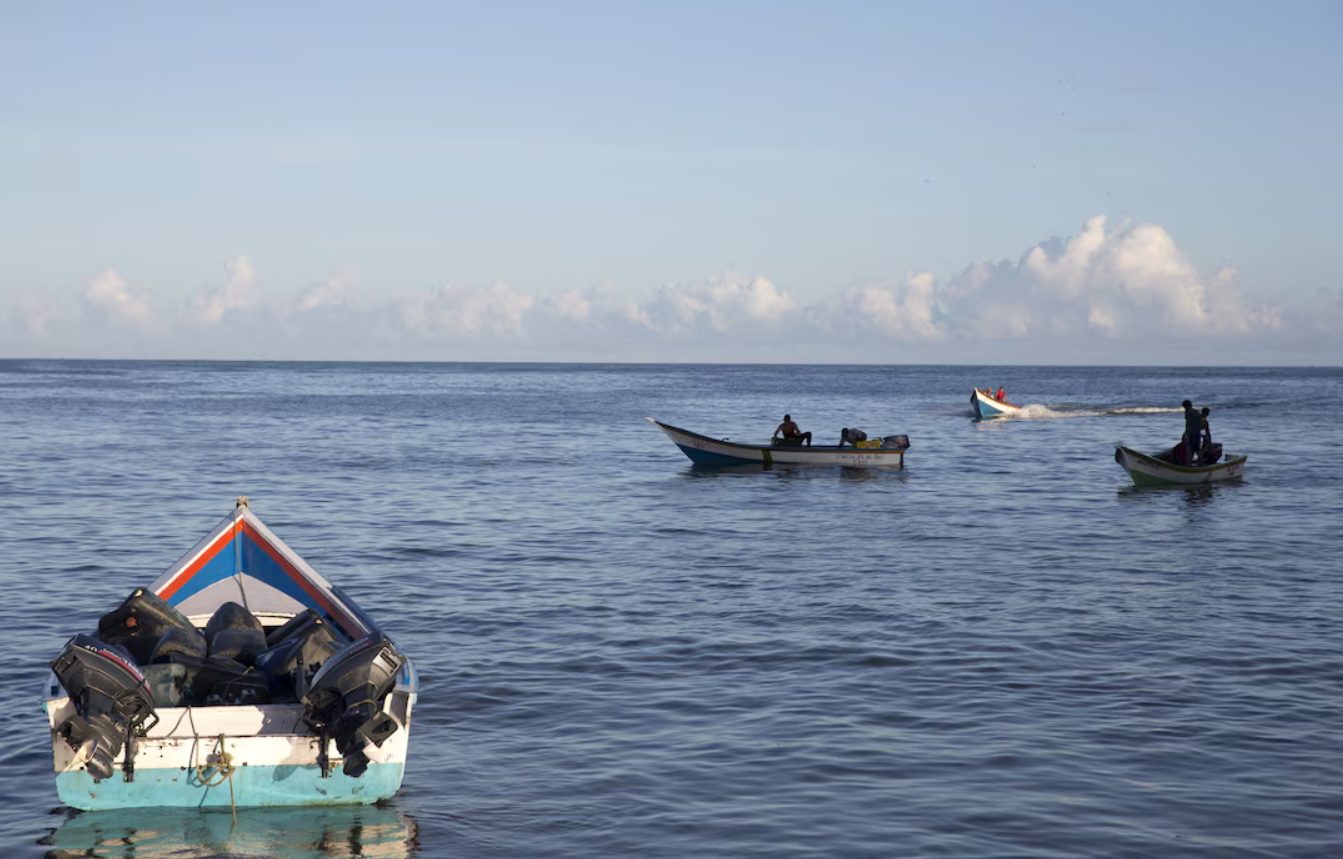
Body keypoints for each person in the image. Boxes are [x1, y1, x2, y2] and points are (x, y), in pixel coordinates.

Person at [1181, 399, 1201, 465]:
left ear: (1185, 406)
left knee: (1189, 449)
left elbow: (1188, 423)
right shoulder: (1196, 411)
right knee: (1197, 449)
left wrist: (1186, 433)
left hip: (1191, 433)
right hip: (1197, 432)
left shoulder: (1188, 411)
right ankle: (1201, 463)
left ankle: (1188, 465)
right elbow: (1199, 423)